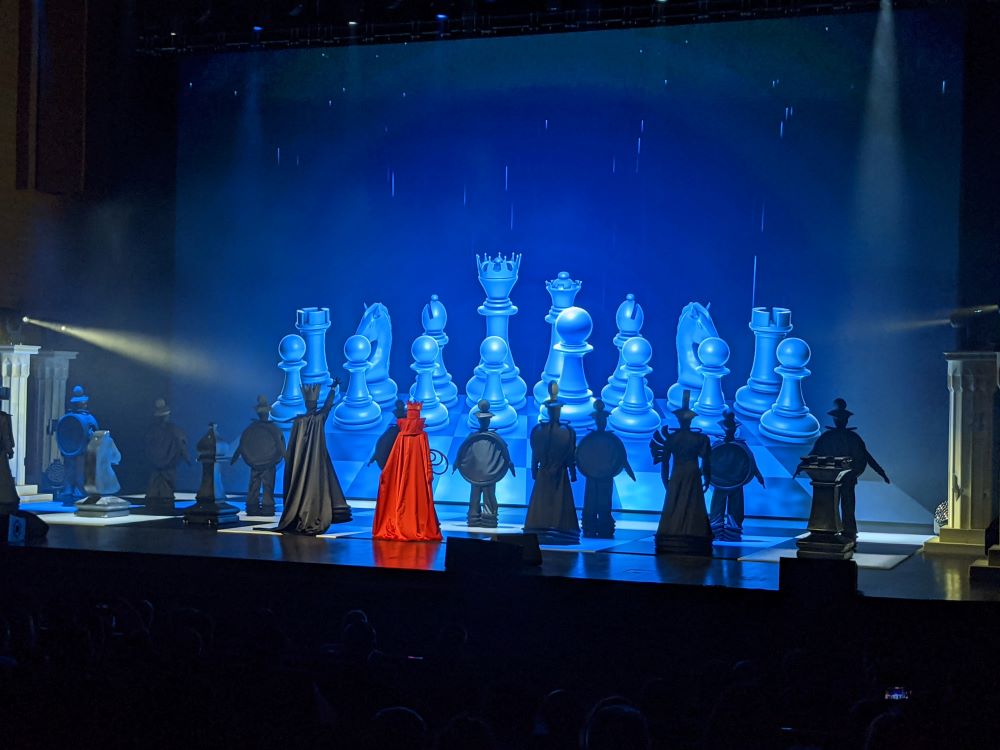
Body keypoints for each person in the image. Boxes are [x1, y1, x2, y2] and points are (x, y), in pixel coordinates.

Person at [796, 398, 889, 540]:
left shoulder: (850, 438)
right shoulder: (829, 438)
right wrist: (800, 466)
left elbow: (866, 457)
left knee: (847, 505)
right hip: (830, 480)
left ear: (846, 420)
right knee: (833, 504)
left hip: (848, 478)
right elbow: (813, 454)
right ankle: (828, 528)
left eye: (842, 418)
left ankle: (848, 529)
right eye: (838, 417)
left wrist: (881, 473)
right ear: (834, 419)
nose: (840, 420)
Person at [277, 383, 352, 534]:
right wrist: (332, 390)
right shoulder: (316, 418)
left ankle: (302, 513)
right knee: (316, 485)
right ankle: (311, 514)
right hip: (315, 460)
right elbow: (327, 407)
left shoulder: (300, 421)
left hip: (304, 461)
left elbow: (294, 446)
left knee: (305, 484)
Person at [650, 390, 712, 555]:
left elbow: (664, 463)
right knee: (693, 502)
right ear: (691, 420)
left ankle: (673, 531)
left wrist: (665, 480)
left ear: (679, 419)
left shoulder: (672, 438)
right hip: (692, 473)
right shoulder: (699, 439)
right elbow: (706, 461)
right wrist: (707, 477)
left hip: (678, 473)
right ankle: (693, 531)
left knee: (675, 502)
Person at [372, 401, 442, 541]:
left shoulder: (403, 436)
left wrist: (387, 473)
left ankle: (403, 524)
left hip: (409, 476)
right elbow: (424, 458)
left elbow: (394, 459)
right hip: (417, 476)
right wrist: (428, 473)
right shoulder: (419, 436)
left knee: (403, 496)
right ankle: (416, 526)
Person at [523, 383, 579, 544]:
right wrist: (573, 473)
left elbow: (535, 454)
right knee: (559, 501)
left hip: (545, 472)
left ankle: (542, 527)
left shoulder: (538, 430)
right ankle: (557, 529)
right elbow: (570, 456)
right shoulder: (567, 431)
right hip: (558, 472)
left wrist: (534, 471)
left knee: (542, 500)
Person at [576, 400, 635, 538]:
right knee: (591, 502)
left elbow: (621, 456)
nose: (601, 422)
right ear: (596, 420)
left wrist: (627, 468)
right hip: (595, 476)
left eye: (602, 419)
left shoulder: (606, 439)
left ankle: (601, 526)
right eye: (599, 419)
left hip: (603, 476)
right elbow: (580, 456)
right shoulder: (596, 439)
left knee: (603, 502)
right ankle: (590, 526)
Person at [453, 400, 515, 527]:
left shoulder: (487, 437)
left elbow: (504, 451)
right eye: (484, 420)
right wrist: (457, 462)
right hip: (484, 472)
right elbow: (462, 450)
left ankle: (480, 518)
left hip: (481, 473)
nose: (485, 422)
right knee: (481, 495)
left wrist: (509, 463)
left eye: (486, 420)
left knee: (484, 495)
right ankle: (480, 518)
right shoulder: (485, 437)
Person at [708, 410, 764, 540]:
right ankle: (718, 528)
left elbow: (751, 461)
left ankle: (732, 529)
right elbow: (708, 461)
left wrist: (758, 475)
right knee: (719, 505)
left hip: (735, 481)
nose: (729, 431)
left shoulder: (740, 445)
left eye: (731, 429)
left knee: (734, 506)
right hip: (723, 481)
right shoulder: (718, 445)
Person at [231, 395, 286, 516]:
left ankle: (256, 505)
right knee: (266, 485)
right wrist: (286, 457)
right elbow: (280, 445)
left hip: (257, 462)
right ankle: (265, 506)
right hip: (265, 463)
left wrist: (236, 456)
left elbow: (242, 444)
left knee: (256, 485)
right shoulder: (272, 429)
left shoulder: (255, 428)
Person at [143, 398, 191, 510]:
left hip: (164, 467)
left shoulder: (156, 431)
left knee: (160, 487)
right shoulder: (172, 430)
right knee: (160, 487)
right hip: (164, 467)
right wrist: (186, 458)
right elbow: (182, 445)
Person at [0, 387, 19, 514]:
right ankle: (6, 499)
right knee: (3, 476)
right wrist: (9, 450)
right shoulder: (2, 418)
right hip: (1, 453)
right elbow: (5, 436)